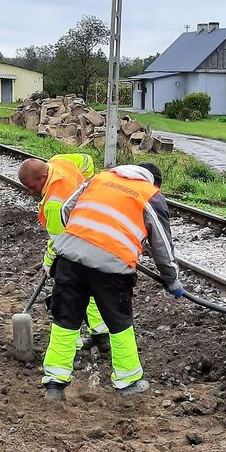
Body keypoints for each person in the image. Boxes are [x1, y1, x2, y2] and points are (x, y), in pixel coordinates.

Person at [40, 162, 182, 401]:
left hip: (69, 258)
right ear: (153, 182)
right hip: (112, 268)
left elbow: (66, 209)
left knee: (65, 319)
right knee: (119, 323)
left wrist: (83, 238)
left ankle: (54, 385)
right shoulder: (151, 195)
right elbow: (162, 247)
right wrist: (172, 280)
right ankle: (127, 383)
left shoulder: (99, 179)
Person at [17, 155, 110, 352]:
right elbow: (87, 160)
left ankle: (70, 349)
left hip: (78, 242)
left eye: (32, 186)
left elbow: (59, 244)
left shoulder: (54, 203)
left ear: (43, 176)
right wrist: (87, 186)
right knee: (91, 286)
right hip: (95, 228)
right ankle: (101, 335)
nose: (30, 191)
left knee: (69, 294)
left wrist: (48, 263)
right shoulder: (60, 162)